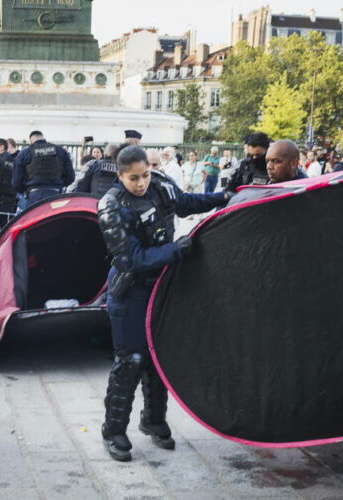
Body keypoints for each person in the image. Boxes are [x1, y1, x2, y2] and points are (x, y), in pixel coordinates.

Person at [98, 146, 230, 461]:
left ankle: (153, 420)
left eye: (144, 175)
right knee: (129, 361)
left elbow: (185, 203)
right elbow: (131, 259)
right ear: (120, 175)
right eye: (134, 178)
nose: (141, 182)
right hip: (131, 291)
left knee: (160, 359)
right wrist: (177, 250)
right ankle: (113, 430)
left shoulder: (159, 184)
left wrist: (223, 197)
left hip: (164, 285)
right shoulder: (111, 205)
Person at [12, 130, 75, 207]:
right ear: (43, 138)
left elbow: (16, 182)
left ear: (31, 141)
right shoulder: (60, 151)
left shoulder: (24, 153)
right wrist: (59, 184)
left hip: (34, 195)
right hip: (56, 194)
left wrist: (26, 190)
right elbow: (71, 176)